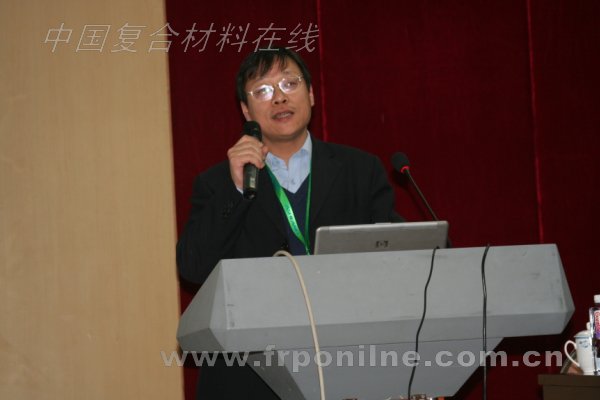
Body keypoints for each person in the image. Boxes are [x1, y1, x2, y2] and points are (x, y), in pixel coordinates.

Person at [177, 48, 402, 399]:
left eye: (289, 83)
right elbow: (192, 266)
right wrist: (236, 189)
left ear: (310, 94)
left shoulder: (360, 170)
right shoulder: (218, 183)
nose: (279, 97)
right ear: (246, 110)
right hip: (249, 375)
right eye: (262, 90)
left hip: (347, 362)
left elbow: (398, 254)